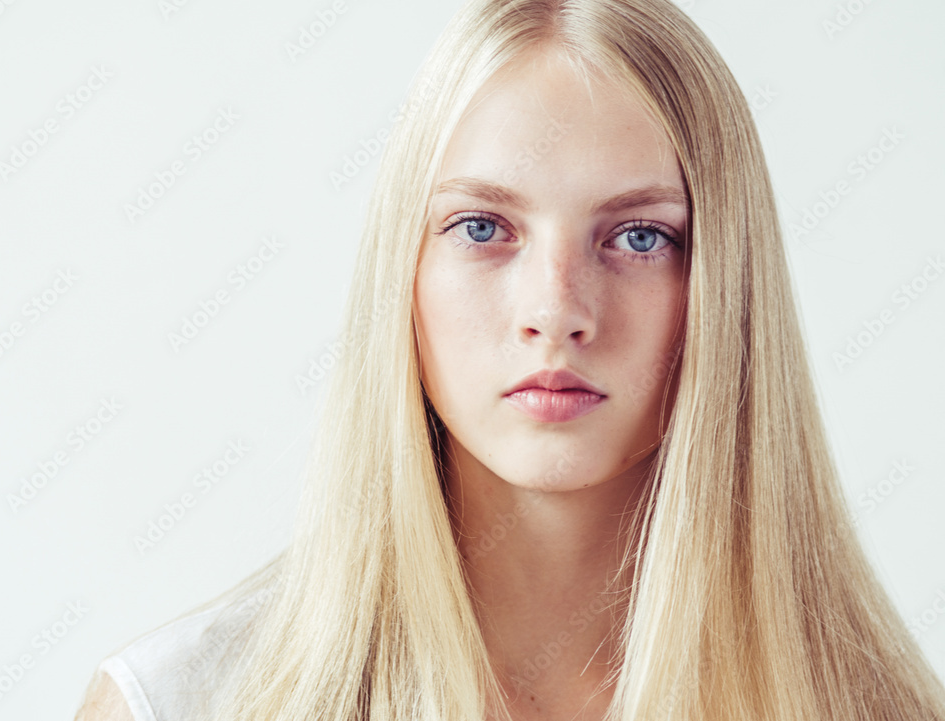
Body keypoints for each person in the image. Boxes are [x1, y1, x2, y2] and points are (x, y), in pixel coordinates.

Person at [75, 0, 945, 719]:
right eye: (483, 228)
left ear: (728, 290)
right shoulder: (181, 702)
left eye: (640, 237)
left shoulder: (876, 705)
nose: (555, 310)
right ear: (402, 275)